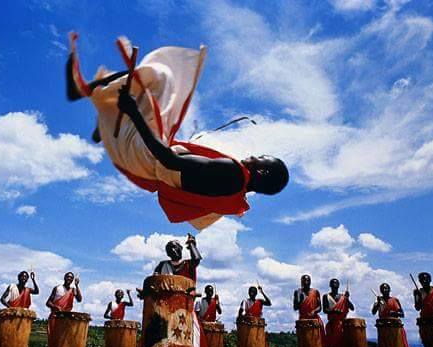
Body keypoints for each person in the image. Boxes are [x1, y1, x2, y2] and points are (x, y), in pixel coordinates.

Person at [66, 33, 289, 230]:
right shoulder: (231, 196)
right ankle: (106, 119)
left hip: (147, 156)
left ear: (262, 172)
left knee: (160, 75)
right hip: (142, 165)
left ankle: (90, 93)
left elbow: (169, 160)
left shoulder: (233, 173)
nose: (253, 156)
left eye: (260, 158)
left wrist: (133, 112)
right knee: (153, 93)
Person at [129, 234, 204, 347]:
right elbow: (153, 281)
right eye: (169, 248)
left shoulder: (188, 264)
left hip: (184, 314)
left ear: (181, 249)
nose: (172, 250)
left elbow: (197, 259)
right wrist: (146, 292)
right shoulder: (162, 265)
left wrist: (192, 244)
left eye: (175, 247)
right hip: (160, 315)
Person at [371, 283, 414, 347]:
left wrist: (394, 313)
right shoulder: (379, 301)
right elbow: (373, 312)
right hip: (383, 329)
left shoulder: (395, 300)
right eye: (382, 289)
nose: (384, 290)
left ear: (389, 289)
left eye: (386, 288)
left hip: (395, 329)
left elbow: (402, 314)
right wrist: (377, 303)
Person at [293, 274, 324, 347]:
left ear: (310, 281)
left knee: (317, 344)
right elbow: (295, 307)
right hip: (303, 321)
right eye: (304, 280)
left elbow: (320, 307)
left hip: (314, 321)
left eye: (307, 280)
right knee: (301, 346)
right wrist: (301, 300)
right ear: (301, 282)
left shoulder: (315, 292)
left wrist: (314, 311)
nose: (306, 282)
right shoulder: (297, 292)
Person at [323, 279, 354, 347]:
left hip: (342, 324)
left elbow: (352, 307)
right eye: (332, 283)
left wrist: (347, 299)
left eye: (336, 283)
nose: (334, 284)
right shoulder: (326, 296)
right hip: (332, 325)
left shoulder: (343, 297)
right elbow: (325, 310)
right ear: (330, 285)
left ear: (339, 285)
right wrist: (334, 311)